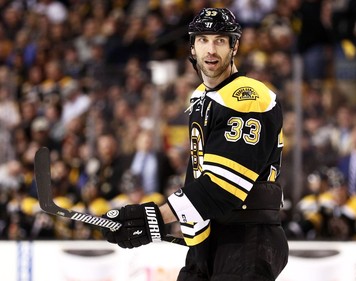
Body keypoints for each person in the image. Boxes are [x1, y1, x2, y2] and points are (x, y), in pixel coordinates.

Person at [101, 8, 288, 281]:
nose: (210, 50)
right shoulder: (201, 96)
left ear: (234, 46)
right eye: (203, 40)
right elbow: (199, 175)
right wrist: (190, 236)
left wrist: (152, 218)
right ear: (192, 46)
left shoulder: (247, 96)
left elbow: (222, 187)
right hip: (211, 239)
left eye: (220, 41)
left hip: (246, 239)